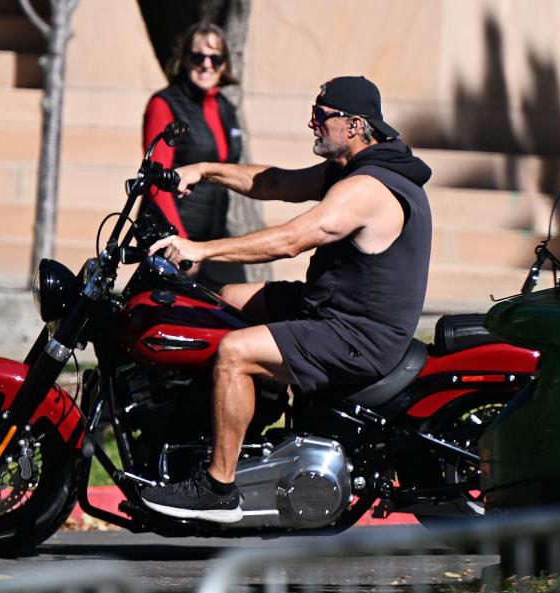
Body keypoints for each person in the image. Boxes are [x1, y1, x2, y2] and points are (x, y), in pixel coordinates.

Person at [140, 76, 433, 523]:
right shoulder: (354, 170)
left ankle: (219, 488)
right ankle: (248, 435)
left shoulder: (368, 188)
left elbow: (293, 239)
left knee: (235, 351)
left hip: (357, 334)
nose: (311, 123)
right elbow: (273, 182)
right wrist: (203, 169)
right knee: (227, 299)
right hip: (331, 309)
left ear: (354, 125)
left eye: (321, 116)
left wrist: (201, 248)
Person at [141, 22, 246, 291]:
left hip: (212, 239)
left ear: (224, 65)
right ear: (185, 59)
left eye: (215, 58)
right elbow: (156, 181)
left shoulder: (226, 108)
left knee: (236, 309)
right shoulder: (165, 104)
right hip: (173, 239)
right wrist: (179, 240)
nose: (206, 64)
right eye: (198, 56)